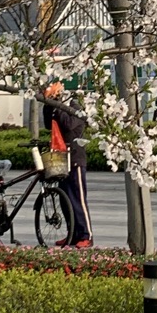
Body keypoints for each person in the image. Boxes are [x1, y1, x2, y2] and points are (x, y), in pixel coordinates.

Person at [41, 82, 92, 247]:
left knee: (78, 199)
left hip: (75, 159)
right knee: (65, 200)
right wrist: (49, 105)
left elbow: (68, 124)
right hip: (61, 159)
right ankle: (72, 235)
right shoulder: (58, 108)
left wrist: (58, 107)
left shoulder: (76, 108)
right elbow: (49, 124)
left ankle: (86, 235)